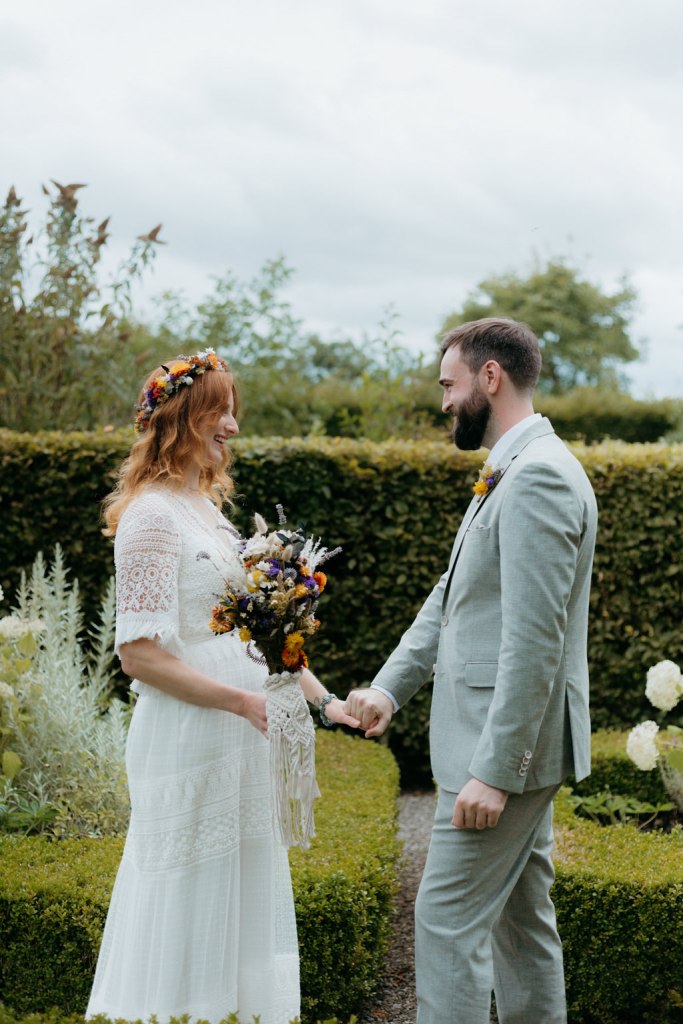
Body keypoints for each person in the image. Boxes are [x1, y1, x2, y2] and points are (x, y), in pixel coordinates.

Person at [87, 348, 357, 1024]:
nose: (232, 426)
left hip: (240, 735)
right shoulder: (151, 517)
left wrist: (326, 703)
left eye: (232, 411)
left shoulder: (205, 510)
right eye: (220, 410)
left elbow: (260, 636)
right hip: (191, 732)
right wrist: (243, 702)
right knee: (189, 892)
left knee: (239, 889)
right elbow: (139, 654)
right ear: (181, 418)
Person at [345, 318, 597, 1024]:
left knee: (445, 920)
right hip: (494, 744)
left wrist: (495, 769)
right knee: (522, 924)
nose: (443, 403)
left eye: (448, 385)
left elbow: (533, 641)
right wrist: (389, 689)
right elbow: (452, 600)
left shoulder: (538, 475)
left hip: (499, 750)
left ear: (491, 377)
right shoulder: (512, 468)